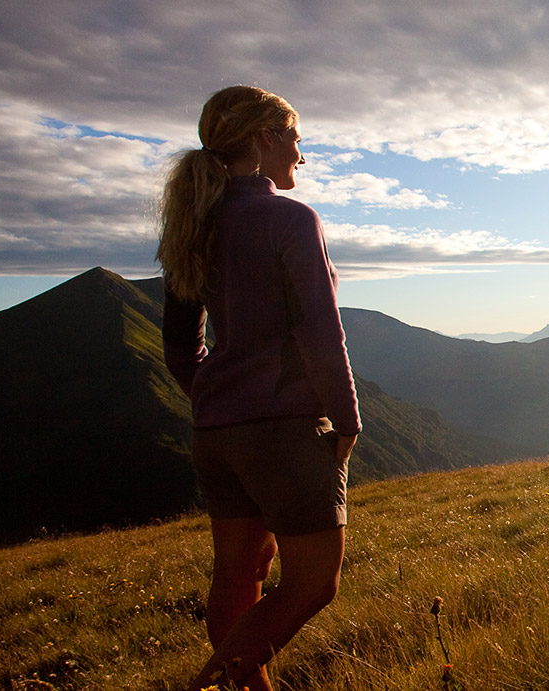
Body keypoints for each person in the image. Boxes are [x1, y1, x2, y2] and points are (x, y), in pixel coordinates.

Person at [158, 85, 360, 691]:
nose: (300, 154)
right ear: (264, 138)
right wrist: (346, 420)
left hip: (215, 433)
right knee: (313, 583)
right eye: (295, 138)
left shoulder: (196, 222)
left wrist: (218, 394)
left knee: (239, 576)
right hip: (282, 432)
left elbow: (177, 344)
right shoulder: (289, 219)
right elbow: (321, 331)